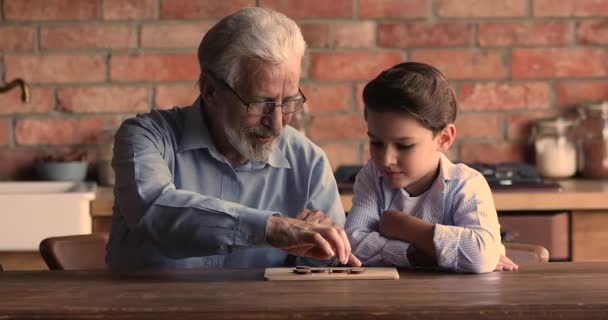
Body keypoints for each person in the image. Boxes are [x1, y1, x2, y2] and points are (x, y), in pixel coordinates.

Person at [106, 7, 360, 270]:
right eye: (261, 103)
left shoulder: (308, 162)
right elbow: (154, 211)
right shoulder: (145, 137)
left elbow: (325, 277)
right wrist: (270, 228)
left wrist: (323, 250)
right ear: (211, 91)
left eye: (289, 101)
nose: (276, 124)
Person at [345, 62, 517, 273]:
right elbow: (352, 244)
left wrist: (404, 226)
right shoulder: (372, 176)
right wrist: (417, 254)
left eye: (404, 145)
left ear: (444, 138)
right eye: (376, 143)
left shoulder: (467, 184)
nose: (386, 158)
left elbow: (480, 256)